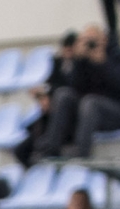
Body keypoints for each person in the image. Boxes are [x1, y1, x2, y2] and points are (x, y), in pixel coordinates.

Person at [42, 24, 120, 159]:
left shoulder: (116, 55)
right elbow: (74, 88)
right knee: (63, 94)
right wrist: (77, 61)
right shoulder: (83, 60)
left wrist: (103, 63)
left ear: (104, 39)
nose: (90, 44)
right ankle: (52, 148)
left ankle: (81, 152)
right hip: (89, 115)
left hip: (117, 112)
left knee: (90, 102)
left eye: (93, 40)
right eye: (85, 41)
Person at [18, 32, 82, 168]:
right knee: (21, 150)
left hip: (71, 114)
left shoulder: (82, 64)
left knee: (62, 97)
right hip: (53, 114)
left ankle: (51, 145)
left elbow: (76, 89)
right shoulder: (58, 63)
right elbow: (51, 83)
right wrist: (42, 94)